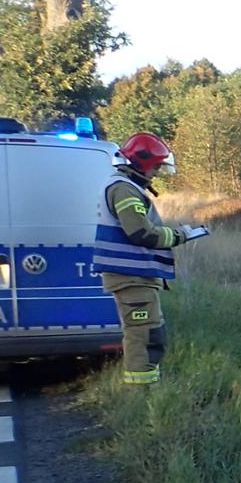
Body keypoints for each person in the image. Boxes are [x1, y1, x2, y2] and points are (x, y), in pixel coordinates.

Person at [91, 132, 209, 385]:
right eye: (155, 167)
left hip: (136, 278)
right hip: (130, 278)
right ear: (142, 163)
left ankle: (146, 388)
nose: (156, 173)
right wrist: (179, 236)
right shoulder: (124, 190)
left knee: (151, 333)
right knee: (142, 336)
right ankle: (142, 394)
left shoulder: (125, 186)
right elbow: (140, 231)